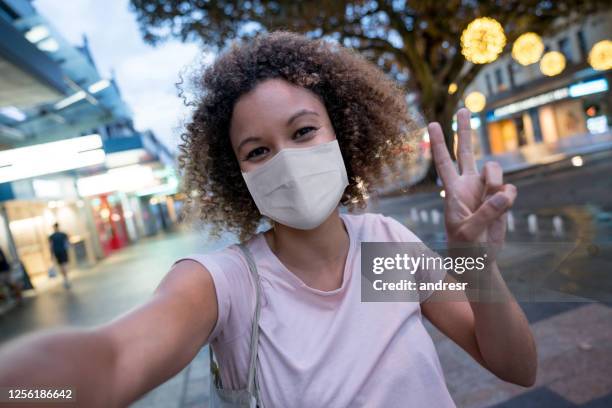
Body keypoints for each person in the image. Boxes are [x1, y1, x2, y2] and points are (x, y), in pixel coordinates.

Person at [0, 31, 536, 407]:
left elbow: (515, 365)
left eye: (303, 132)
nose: (284, 159)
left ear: (342, 135)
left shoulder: (383, 248)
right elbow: (112, 363)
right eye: (257, 151)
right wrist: (22, 391)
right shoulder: (225, 287)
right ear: (238, 176)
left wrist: (476, 262)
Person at [48, 223, 71, 289]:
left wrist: (51, 255)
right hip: (62, 252)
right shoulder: (63, 234)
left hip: (58, 252)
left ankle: (65, 278)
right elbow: (67, 243)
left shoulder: (52, 236)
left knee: (62, 265)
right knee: (63, 265)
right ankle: (66, 278)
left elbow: (50, 246)